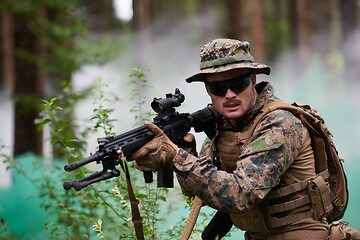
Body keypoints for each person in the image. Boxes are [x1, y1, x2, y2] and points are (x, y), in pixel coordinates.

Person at [129, 38, 330, 239]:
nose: (229, 94)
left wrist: (177, 158)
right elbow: (207, 193)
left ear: (253, 81)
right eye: (218, 88)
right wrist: (184, 153)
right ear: (208, 90)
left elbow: (240, 195)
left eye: (237, 84)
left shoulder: (279, 122)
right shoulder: (224, 126)